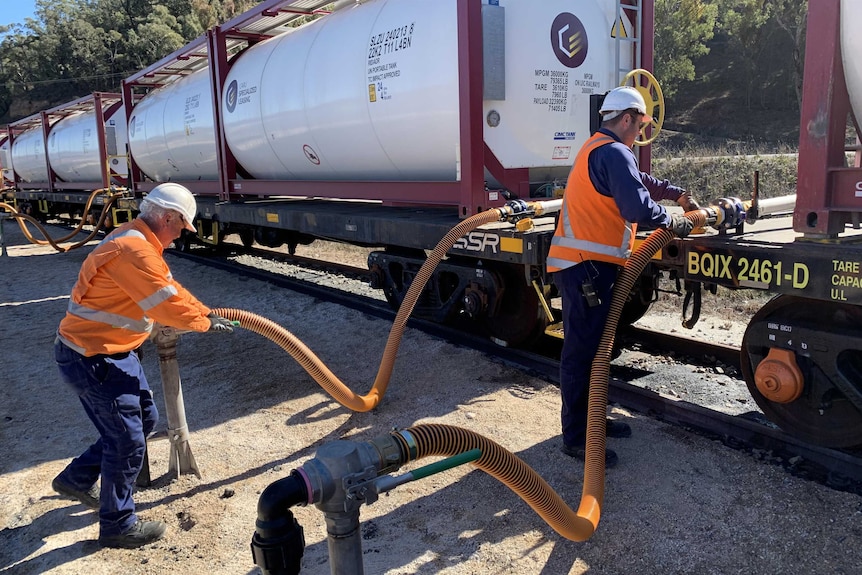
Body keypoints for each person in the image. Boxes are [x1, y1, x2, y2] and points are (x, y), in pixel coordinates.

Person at [51, 182, 236, 548]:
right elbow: (167, 305)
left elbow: (170, 289)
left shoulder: (139, 241)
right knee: (127, 439)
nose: (182, 234)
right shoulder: (134, 249)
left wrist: (205, 312)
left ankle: (76, 478)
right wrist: (201, 323)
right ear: (167, 217)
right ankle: (118, 525)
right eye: (181, 227)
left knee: (145, 419)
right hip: (92, 357)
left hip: (113, 353)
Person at [547, 86, 699, 468]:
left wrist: (676, 193)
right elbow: (636, 205)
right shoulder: (613, 152)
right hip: (586, 267)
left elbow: (638, 181)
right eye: (641, 123)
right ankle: (577, 438)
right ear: (629, 118)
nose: (640, 131)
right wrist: (674, 220)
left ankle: (591, 422)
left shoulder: (598, 147)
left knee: (597, 352)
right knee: (582, 355)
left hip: (587, 266)